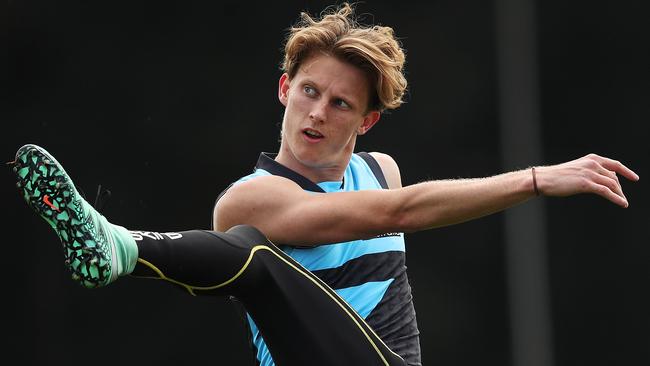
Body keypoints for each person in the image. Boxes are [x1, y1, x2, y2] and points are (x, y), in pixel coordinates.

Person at [11, 3, 638, 366]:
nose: (317, 112)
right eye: (309, 91)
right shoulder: (250, 197)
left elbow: (404, 208)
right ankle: (117, 248)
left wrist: (534, 179)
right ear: (285, 90)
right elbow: (402, 212)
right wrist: (533, 178)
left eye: (340, 104)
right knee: (254, 252)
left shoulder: (381, 172)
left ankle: (121, 248)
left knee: (257, 255)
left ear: (366, 121)